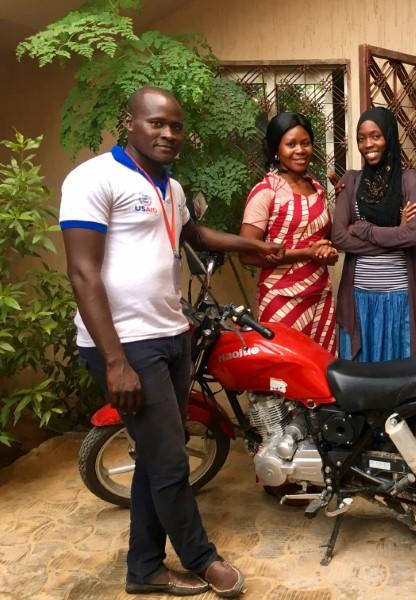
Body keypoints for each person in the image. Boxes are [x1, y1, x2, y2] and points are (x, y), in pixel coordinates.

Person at [60, 87, 283, 597]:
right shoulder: (94, 178)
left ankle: (144, 570)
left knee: (159, 456)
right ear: (130, 122)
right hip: (125, 343)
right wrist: (116, 362)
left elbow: (194, 237)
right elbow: (82, 272)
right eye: (156, 123)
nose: (167, 134)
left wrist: (255, 245)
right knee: (168, 461)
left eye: (176, 126)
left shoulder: (172, 187)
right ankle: (202, 558)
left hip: (170, 333)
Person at [239, 112, 338, 354]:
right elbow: (247, 254)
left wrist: (327, 253)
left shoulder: (317, 188)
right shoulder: (265, 191)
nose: (300, 150)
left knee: (321, 375)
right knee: (283, 379)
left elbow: (326, 238)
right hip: (281, 300)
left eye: (305, 143)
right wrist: (307, 254)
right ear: (276, 149)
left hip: (320, 297)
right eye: (291, 144)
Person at [331, 106, 416, 361]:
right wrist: (396, 235)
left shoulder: (410, 180)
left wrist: (362, 229)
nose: (367, 144)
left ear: (389, 138)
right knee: (362, 378)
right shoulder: (351, 181)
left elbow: (412, 237)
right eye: (361, 138)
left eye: (376, 136)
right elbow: (338, 237)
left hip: (400, 298)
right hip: (360, 299)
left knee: (400, 375)